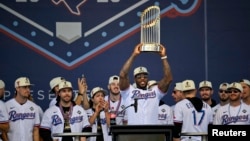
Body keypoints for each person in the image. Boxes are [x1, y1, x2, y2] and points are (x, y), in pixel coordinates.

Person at [119, 43, 172, 125]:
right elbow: (123, 75)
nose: (142, 78)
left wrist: (163, 57)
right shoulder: (128, 92)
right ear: (134, 79)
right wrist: (134, 55)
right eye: (139, 77)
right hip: (134, 133)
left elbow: (168, 79)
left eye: (145, 76)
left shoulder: (155, 92)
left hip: (151, 133)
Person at [5, 77, 40, 141]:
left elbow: (36, 130)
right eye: (24, 87)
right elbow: (3, 130)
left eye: (29, 87)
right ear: (17, 88)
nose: (28, 90)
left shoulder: (34, 107)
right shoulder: (6, 106)